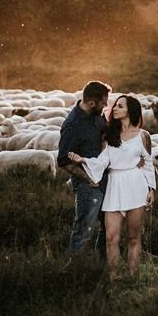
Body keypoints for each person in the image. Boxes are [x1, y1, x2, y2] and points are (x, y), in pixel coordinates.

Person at [68, 94, 156, 278]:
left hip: (135, 185)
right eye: (115, 106)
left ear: (130, 111)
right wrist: (82, 159)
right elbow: (102, 161)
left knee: (133, 238)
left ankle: (133, 277)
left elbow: (148, 163)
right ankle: (113, 278)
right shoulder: (110, 135)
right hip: (114, 186)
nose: (114, 108)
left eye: (120, 106)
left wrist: (151, 189)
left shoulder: (143, 136)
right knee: (110, 238)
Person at [57, 80, 111, 260]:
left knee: (108, 225)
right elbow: (64, 161)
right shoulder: (72, 125)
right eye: (104, 102)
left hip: (105, 179)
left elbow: (105, 135)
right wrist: (88, 178)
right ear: (92, 103)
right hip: (88, 185)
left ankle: (102, 266)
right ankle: (77, 270)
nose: (106, 105)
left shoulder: (98, 115)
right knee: (84, 229)